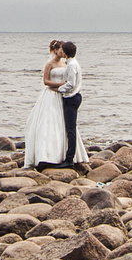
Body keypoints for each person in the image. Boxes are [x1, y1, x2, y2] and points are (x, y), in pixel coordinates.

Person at [20, 40, 86, 169]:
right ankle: (47, 154)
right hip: (52, 94)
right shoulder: (50, 63)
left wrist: (63, 88)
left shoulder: (67, 63)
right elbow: (46, 81)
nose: (62, 52)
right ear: (55, 50)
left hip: (64, 95)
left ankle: (64, 155)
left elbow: (70, 81)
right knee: (49, 123)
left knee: (63, 125)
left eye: (63, 50)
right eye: (60, 50)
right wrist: (60, 86)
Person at [54, 38, 83, 165]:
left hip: (71, 97)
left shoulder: (71, 65)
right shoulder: (74, 63)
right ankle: (70, 156)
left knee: (70, 129)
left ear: (65, 53)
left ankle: (69, 158)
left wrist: (59, 89)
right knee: (70, 128)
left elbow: (71, 84)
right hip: (74, 96)